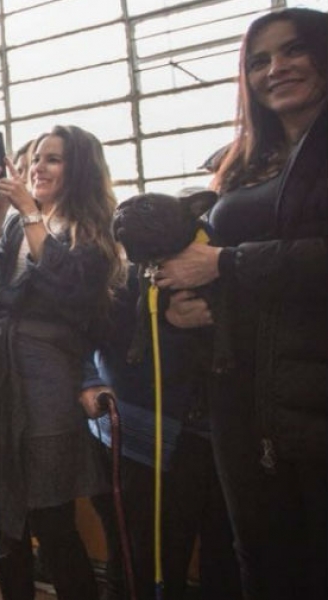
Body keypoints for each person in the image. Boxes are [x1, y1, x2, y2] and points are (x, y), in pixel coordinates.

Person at [155, 8, 327, 597]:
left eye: (293, 51)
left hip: (314, 390)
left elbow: (232, 259)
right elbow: (203, 258)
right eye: (259, 61)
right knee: (259, 556)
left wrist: (228, 264)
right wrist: (181, 308)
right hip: (238, 393)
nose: (276, 69)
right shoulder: (248, 157)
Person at [0, 125, 123, 600]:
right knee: (7, 511)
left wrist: (30, 211)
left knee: (50, 515)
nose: (38, 167)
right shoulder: (15, 221)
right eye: (35, 158)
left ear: (80, 169)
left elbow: (72, 287)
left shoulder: (90, 228)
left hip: (49, 376)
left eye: (53, 159)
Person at [81, 255, 242, 600]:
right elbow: (86, 331)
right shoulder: (125, 274)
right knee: (138, 552)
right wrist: (89, 380)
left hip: (213, 434)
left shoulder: (227, 267)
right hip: (136, 434)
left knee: (218, 548)